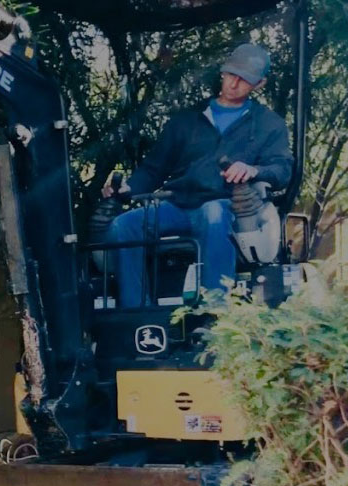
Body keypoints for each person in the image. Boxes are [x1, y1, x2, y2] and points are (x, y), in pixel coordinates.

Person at [104, 43, 294, 308]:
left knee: (212, 213)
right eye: (231, 74)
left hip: (230, 207)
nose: (234, 83)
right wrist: (128, 188)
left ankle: (215, 313)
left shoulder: (269, 124)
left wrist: (254, 170)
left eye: (244, 79)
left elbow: (282, 169)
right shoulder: (186, 120)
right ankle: (135, 311)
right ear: (223, 72)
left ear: (259, 84)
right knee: (123, 226)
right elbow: (153, 169)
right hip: (179, 204)